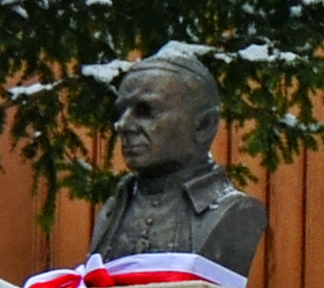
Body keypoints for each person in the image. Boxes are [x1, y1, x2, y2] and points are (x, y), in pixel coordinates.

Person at [89, 45, 270, 274]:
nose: (122, 125)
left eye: (145, 111)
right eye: (122, 111)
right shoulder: (114, 209)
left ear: (204, 125)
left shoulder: (234, 211)